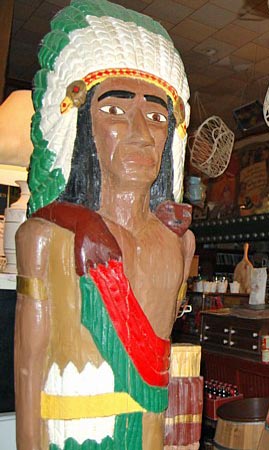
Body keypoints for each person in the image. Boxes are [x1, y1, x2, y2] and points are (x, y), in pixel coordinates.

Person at [14, 1, 194, 449]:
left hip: (149, 428)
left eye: (156, 117)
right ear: (82, 126)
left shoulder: (180, 244)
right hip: (73, 431)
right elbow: (28, 361)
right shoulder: (44, 237)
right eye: (115, 110)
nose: (140, 132)